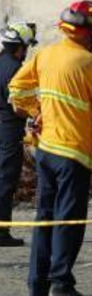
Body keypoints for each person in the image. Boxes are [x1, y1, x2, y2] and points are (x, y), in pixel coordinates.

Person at [9, 0, 92, 296]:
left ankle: (37, 286)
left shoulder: (45, 55)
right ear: (88, 31)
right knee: (69, 220)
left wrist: (36, 111)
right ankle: (61, 284)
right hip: (74, 152)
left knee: (45, 217)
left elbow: (16, 89)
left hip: (46, 150)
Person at [0, 21, 37, 247]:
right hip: (8, 132)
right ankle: (2, 233)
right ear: (20, 46)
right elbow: (18, 104)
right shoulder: (15, 69)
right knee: (5, 180)